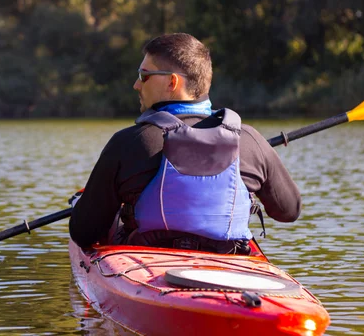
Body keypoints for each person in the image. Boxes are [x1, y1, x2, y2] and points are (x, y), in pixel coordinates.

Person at [69, 33, 301, 254]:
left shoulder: (129, 142)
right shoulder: (250, 140)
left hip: (147, 263)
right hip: (229, 260)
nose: (136, 85)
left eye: (143, 75)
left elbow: (84, 233)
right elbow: (289, 211)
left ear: (172, 82)